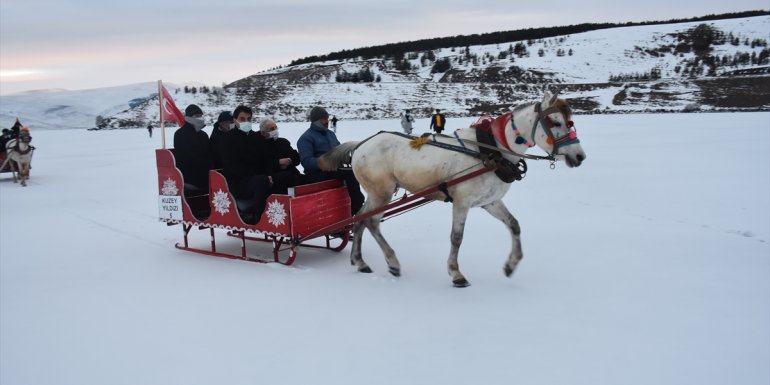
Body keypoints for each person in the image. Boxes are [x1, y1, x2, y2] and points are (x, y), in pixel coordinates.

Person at [297, 106, 364, 216]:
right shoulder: (306, 138)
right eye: (323, 119)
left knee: (357, 167)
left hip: (333, 169)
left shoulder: (330, 134)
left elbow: (339, 150)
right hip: (318, 173)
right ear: (315, 121)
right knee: (350, 172)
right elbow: (306, 161)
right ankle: (357, 206)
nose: (326, 122)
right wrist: (323, 162)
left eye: (327, 119)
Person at [218, 105, 271, 224]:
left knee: (281, 177)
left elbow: (264, 159)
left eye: (249, 119)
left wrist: (269, 174)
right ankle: (257, 217)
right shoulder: (227, 139)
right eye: (242, 119)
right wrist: (258, 176)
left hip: (256, 179)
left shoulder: (256, 137)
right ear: (235, 120)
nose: (246, 122)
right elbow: (232, 165)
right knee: (262, 181)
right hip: (238, 183)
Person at [256, 117, 303, 195]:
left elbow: (296, 157)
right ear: (263, 132)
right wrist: (278, 163)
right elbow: (260, 165)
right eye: (271, 129)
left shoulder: (283, 142)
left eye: (275, 127)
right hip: (274, 179)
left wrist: (289, 161)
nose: (275, 130)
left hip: (292, 175)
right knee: (286, 177)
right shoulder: (258, 146)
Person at [173, 104, 211, 191]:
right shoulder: (180, 134)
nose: (200, 118)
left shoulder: (203, 135)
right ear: (188, 118)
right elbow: (186, 157)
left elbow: (209, 153)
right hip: (189, 177)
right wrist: (206, 164)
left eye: (201, 116)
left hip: (205, 175)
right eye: (197, 116)